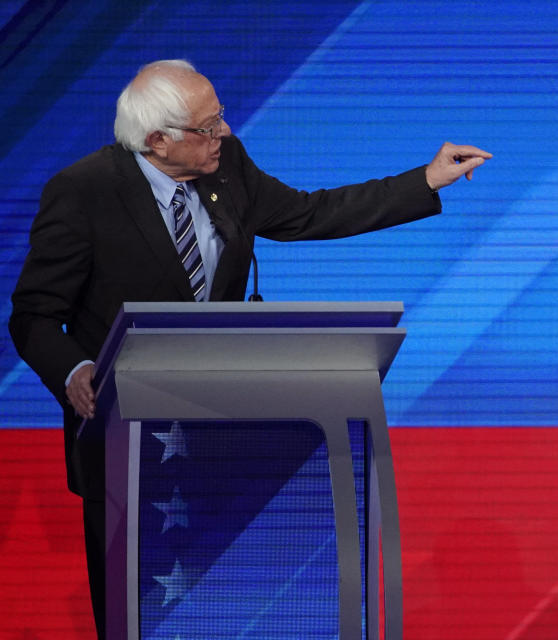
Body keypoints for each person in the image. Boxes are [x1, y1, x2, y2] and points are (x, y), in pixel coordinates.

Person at [8, 59, 491, 638]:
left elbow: (313, 213)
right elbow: (35, 314)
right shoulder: (83, 191)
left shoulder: (227, 168)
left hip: (226, 433)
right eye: (207, 128)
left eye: (220, 119)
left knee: (226, 612)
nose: (226, 134)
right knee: (138, 615)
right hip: (127, 444)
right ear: (157, 140)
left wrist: (425, 180)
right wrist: (76, 371)